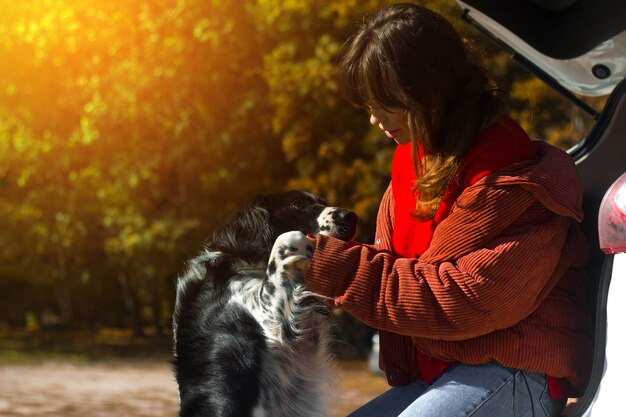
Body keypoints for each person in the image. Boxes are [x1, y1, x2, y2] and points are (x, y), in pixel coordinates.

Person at [295, 3, 594, 416]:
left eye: (386, 102)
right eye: (368, 103)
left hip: (518, 369)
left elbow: (465, 299)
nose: (373, 118)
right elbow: (393, 267)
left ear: (429, 89)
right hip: (442, 372)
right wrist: (319, 279)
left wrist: (336, 268)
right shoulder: (414, 159)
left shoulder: (512, 176)